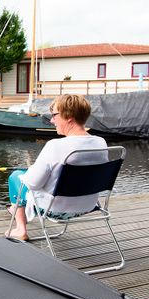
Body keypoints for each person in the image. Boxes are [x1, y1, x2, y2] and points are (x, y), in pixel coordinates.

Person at [6, 94, 108, 241]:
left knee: (16, 176)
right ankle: (16, 213)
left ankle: (20, 229)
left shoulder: (55, 146)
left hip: (56, 209)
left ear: (69, 118)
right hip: (89, 206)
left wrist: (29, 171)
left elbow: (33, 184)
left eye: (54, 115)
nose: (52, 120)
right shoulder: (101, 143)